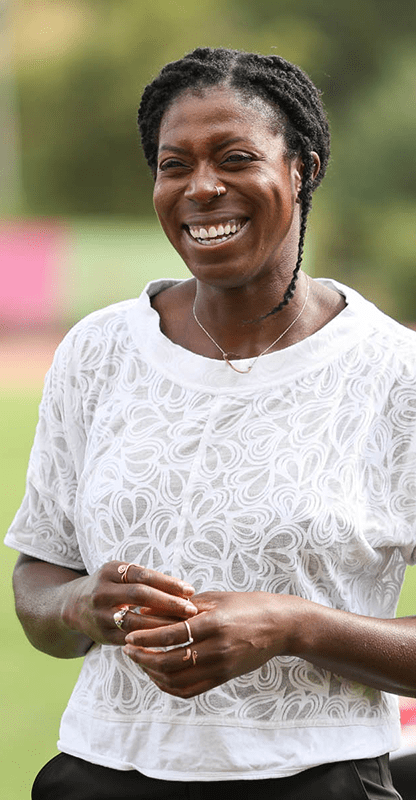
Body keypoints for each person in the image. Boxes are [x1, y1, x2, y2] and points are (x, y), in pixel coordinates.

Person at [5, 47, 416, 800]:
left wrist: (296, 626)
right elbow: (37, 580)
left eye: (234, 158)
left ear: (304, 169)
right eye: (174, 165)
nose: (201, 188)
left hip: (315, 781)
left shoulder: (396, 375)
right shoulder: (98, 352)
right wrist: (79, 604)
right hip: (98, 774)